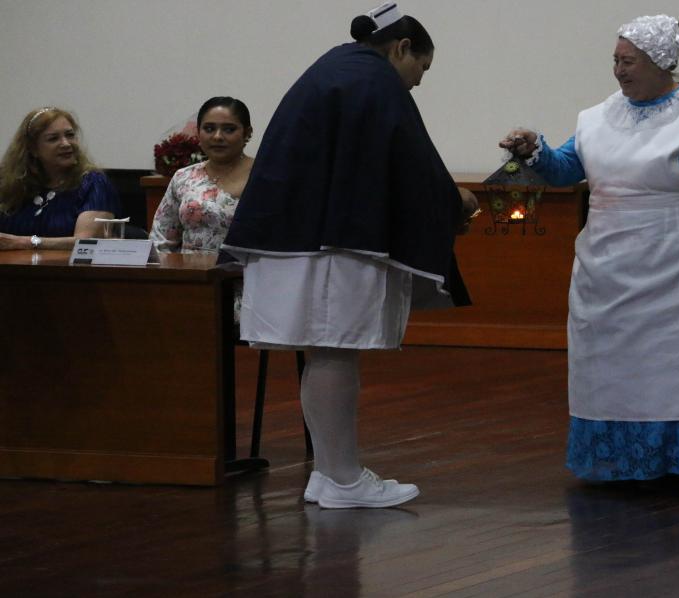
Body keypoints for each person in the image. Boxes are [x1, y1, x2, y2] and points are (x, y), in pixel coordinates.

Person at [500, 15, 679, 487]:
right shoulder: (601, 116)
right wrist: (535, 154)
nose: (618, 70)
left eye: (628, 61)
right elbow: (570, 167)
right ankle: (629, 463)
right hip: (609, 268)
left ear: (660, 63)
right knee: (620, 373)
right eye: (614, 59)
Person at [221, 3, 477, 509]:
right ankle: (341, 477)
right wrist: (457, 202)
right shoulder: (373, 79)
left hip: (293, 239)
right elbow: (412, 160)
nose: (418, 83)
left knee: (325, 351)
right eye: (421, 69)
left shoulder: (333, 68)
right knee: (336, 349)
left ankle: (328, 474)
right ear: (402, 49)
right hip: (331, 245)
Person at [0, 107, 120, 250]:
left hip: (69, 271)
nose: (66, 144)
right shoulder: (13, 184)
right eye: (53, 138)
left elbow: (87, 243)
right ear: (33, 149)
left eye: (70, 135)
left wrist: (26, 243)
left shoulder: (93, 183)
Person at [150, 97, 254, 253]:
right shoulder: (184, 176)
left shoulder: (261, 175)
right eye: (209, 129)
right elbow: (161, 240)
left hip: (244, 273)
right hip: (187, 274)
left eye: (229, 129)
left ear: (247, 133)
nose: (217, 137)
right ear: (198, 132)